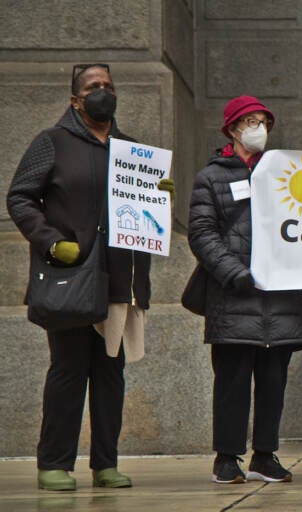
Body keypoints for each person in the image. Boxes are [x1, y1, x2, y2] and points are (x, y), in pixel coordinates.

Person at [6, 64, 174, 491]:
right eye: (93, 87)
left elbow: (142, 217)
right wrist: (49, 241)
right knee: (67, 372)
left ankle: (106, 464)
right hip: (71, 278)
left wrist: (157, 198)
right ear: (75, 99)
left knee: (110, 375)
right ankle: (54, 464)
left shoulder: (132, 150)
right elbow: (21, 197)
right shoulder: (52, 143)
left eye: (109, 86)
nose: (103, 92)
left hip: (118, 280)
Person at [187, 96, 302, 484]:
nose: (259, 128)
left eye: (264, 122)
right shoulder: (211, 178)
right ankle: (226, 458)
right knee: (232, 381)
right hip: (234, 296)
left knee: (273, 382)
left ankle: (265, 455)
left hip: (281, 299)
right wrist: (234, 272)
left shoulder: (286, 173)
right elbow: (202, 234)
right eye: (251, 121)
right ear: (232, 129)